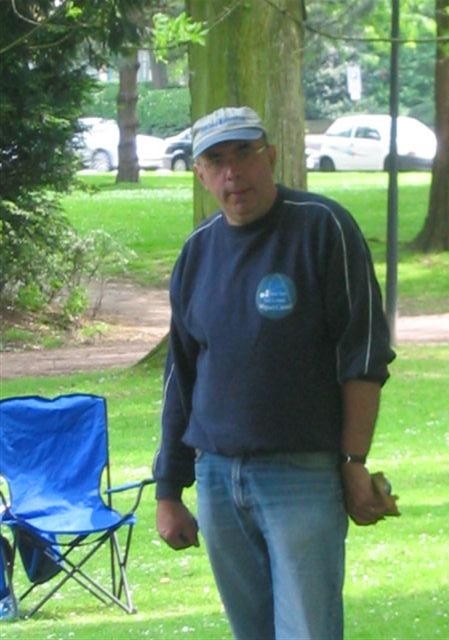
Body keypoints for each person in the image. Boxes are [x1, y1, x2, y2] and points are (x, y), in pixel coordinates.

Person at [153, 106, 396, 640]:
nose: (233, 172)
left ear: (272, 156)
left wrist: (354, 462)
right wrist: (168, 489)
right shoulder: (197, 252)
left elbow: (363, 354)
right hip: (217, 478)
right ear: (200, 174)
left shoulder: (324, 228)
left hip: (301, 475)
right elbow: (181, 375)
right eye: (216, 160)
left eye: (244, 153)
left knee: (307, 631)